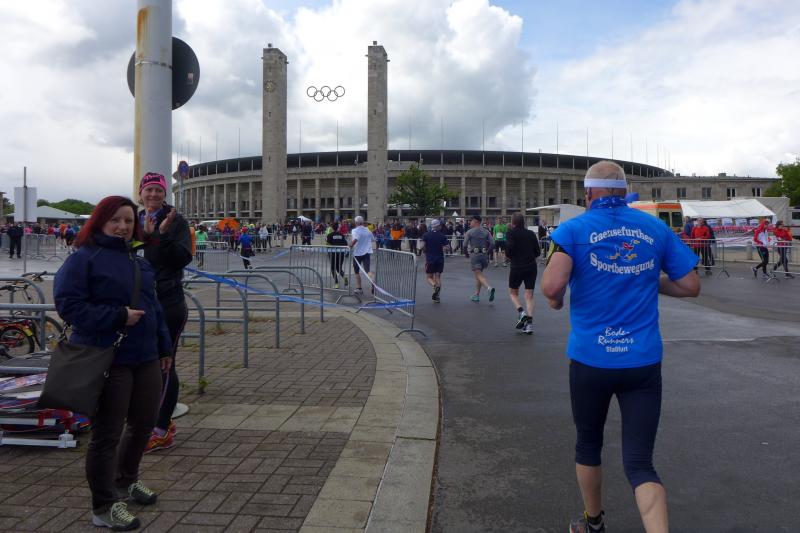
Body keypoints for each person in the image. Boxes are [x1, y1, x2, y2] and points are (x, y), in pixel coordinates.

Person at [541, 161, 700, 533]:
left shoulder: (572, 230)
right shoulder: (655, 227)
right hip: (642, 361)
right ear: (624, 191)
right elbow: (691, 286)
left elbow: (551, 287)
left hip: (591, 359)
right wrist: (648, 279)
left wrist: (556, 301)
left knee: (588, 445)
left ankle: (593, 522)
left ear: (588, 193)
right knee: (641, 462)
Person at [54, 195, 173, 531]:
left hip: (145, 356)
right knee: (108, 433)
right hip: (108, 356)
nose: (122, 227)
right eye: (115, 220)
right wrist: (118, 316)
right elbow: (69, 306)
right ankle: (103, 506)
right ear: (101, 222)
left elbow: (154, 308)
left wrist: (164, 347)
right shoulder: (84, 258)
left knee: (144, 423)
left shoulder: (138, 260)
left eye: (128, 221)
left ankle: (126, 480)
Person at [138, 172, 194, 453]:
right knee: (141, 364)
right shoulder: (134, 219)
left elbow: (182, 258)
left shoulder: (176, 221)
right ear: (140, 193)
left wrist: (161, 236)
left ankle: (161, 428)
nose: (153, 195)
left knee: (164, 364)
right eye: (148, 190)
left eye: (158, 190)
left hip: (167, 303)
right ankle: (146, 420)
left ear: (165, 194)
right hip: (137, 304)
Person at [505, 212, 540, 334]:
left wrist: (510, 256)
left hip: (517, 266)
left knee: (513, 292)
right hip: (531, 266)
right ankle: (529, 325)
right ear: (523, 222)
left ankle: (521, 312)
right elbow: (537, 251)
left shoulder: (510, 233)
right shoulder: (531, 234)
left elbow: (509, 250)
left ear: (513, 223)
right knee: (529, 295)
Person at [463, 215, 495, 302]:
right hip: (484, 255)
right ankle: (477, 295)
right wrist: (487, 252)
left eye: (471, 221)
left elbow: (464, 245)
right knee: (478, 275)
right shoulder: (486, 231)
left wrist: (466, 254)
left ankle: (489, 288)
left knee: (479, 275)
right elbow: (492, 243)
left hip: (475, 255)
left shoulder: (470, 232)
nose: (470, 222)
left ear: (476, 221)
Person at [420, 219, 450, 302]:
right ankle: (436, 297)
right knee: (438, 277)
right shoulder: (442, 236)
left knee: (429, 277)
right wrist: (444, 248)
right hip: (440, 259)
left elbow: (421, 246)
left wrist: (425, 249)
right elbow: (448, 247)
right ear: (438, 226)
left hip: (430, 259)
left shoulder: (426, 235)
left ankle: (434, 286)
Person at [349, 216, 375, 295]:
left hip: (357, 253)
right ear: (362, 222)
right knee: (367, 270)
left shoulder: (354, 230)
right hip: (366, 253)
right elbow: (373, 239)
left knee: (356, 271)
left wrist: (350, 245)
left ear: (356, 223)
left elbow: (355, 239)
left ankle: (359, 288)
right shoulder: (368, 230)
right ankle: (373, 282)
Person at [326, 222, 349, 288]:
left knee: (333, 268)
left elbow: (328, 245)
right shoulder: (341, 235)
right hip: (341, 253)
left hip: (333, 254)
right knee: (339, 268)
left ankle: (336, 284)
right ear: (338, 227)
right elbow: (346, 244)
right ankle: (344, 277)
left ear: (332, 228)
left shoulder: (330, 235)